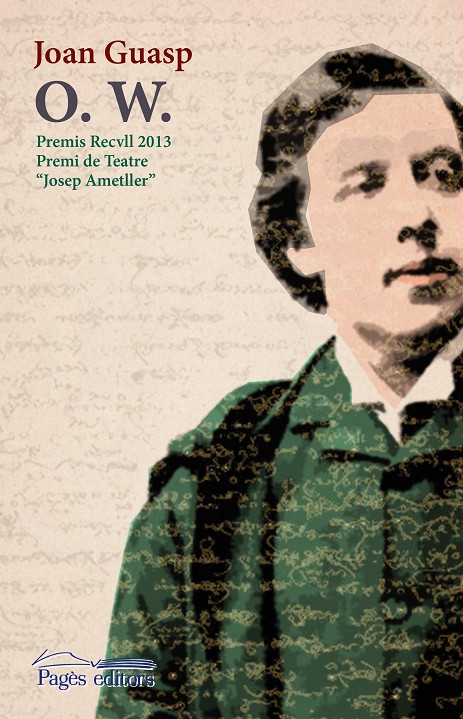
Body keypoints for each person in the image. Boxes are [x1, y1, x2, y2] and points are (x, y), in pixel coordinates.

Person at [96, 45, 463, 719]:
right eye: (367, 183)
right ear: (299, 240)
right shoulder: (213, 479)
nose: (418, 214)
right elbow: (132, 693)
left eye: (443, 174)